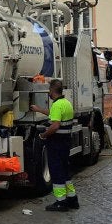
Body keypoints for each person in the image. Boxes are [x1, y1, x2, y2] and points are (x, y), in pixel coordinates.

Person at [30, 79, 78, 212]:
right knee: (65, 172)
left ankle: (61, 202)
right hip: (65, 142)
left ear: (52, 91)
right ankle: (72, 199)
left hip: (56, 143)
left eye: (49, 91)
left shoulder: (57, 105)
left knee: (56, 172)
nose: (49, 94)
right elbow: (54, 115)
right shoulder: (66, 103)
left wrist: (43, 135)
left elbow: (55, 125)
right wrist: (39, 109)